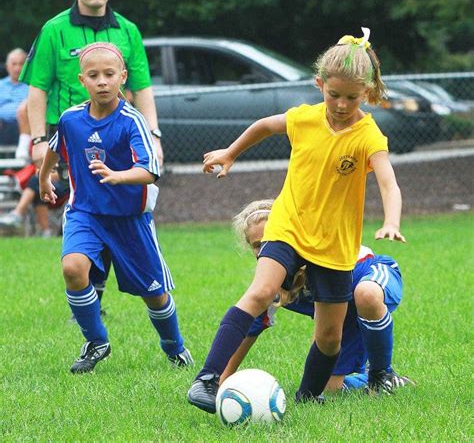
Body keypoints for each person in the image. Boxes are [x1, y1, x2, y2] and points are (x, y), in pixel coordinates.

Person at [187, 27, 406, 413]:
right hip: (287, 226)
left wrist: (392, 220)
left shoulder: (368, 134)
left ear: (368, 94)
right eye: (333, 94)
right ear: (319, 83)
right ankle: (206, 379)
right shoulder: (304, 118)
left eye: (352, 97)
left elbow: (387, 181)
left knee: (329, 336)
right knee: (260, 292)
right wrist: (231, 153)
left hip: (335, 244)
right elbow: (263, 127)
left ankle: (307, 397)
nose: (340, 104)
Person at [20, 0, 164, 309]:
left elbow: (143, 87)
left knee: (119, 205)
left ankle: (123, 285)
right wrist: (40, 141)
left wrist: (155, 136)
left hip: (118, 135)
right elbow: (37, 89)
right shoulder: (54, 29)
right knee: (85, 208)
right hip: (70, 135)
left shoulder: (128, 30)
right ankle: (88, 291)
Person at [39, 42, 192, 373]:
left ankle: (174, 346)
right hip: (85, 214)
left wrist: (118, 175)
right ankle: (96, 341)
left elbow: (151, 170)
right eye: (93, 75)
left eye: (109, 74)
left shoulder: (131, 121)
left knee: (154, 294)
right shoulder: (71, 119)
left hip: (129, 220)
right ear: (82, 80)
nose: (102, 81)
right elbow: (55, 147)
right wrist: (43, 178)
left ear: (122, 76)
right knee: (73, 269)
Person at [220, 199, 414, 394]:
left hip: (371, 276)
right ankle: (367, 378)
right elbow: (247, 329)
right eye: (257, 245)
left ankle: (382, 375)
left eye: (272, 240)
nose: (266, 250)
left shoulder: (318, 256)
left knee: (366, 294)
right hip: (342, 316)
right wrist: (221, 382)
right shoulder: (270, 285)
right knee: (329, 389)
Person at [0, 170, 68, 237]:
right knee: (38, 188)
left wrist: (44, 175)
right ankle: (46, 232)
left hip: (63, 189)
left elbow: (63, 175)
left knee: (35, 180)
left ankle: (17, 214)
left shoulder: (62, 160)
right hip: (45, 187)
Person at [0, 48, 28, 150]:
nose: (17, 68)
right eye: (14, 64)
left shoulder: (32, 86)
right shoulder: (1, 85)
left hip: (25, 126)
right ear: (7, 66)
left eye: (21, 64)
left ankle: (23, 152)